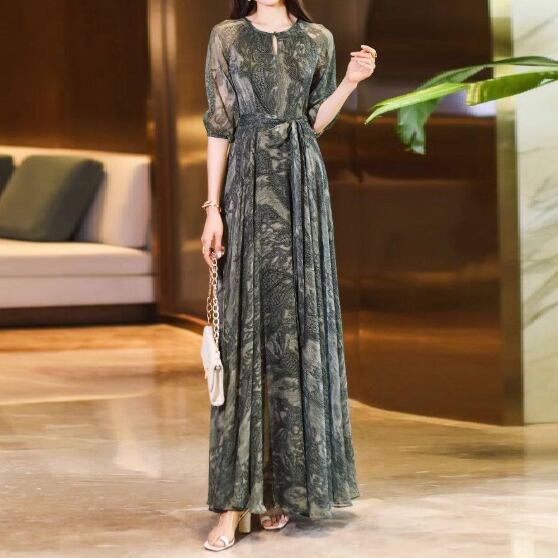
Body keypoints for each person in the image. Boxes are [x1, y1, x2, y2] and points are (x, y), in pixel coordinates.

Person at [200, 0, 376, 551]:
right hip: (247, 186)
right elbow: (219, 124)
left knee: (297, 332)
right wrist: (213, 209)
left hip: (303, 190)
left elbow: (313, 121)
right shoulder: (228, 36)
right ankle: (233, 504)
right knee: (245, 338)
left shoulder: (317, 38)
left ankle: (281, 491)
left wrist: (349, 82)